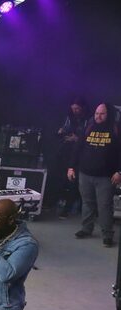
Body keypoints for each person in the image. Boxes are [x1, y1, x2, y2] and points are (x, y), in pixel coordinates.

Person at [68, 102, 121, 247]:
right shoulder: (89, 127)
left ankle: (107, 234)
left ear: (108, 114)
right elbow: (77, 149)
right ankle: (86, 229)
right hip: (85, 174)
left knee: (105, 206)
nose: (98, 116)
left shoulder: (116, 129)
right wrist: (71, 167)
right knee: (87, 203)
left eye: (102, 113)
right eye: (97, 113)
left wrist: (119, 171)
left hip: (106, 177)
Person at [52, 97, 88, 218]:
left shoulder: (88, 120)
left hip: (79, 155)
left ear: (82, 108)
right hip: (65, 153)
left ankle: (69, 207)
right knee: (62, 179)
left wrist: (76, 139)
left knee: (74, 182)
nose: (75, 111)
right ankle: (57, 202)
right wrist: (61, 132)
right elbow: (61, 132)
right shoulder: (68, 118)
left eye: (77, 108)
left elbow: (88, 140)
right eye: (73, 108)